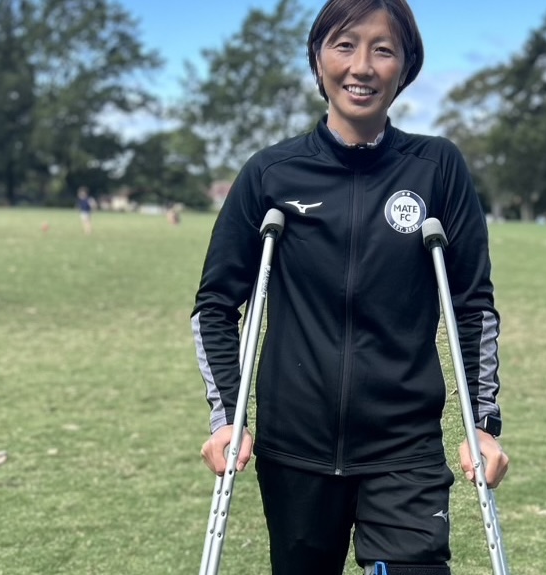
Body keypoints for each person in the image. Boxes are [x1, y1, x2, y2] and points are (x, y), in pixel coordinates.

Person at [191, 1, 508, 573]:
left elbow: (473, 307)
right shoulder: (271, 174)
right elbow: (215, 304)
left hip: (404, 448)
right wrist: (227, 418)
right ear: (318, 59)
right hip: (295, 450)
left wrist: (481, 425)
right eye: (344, 45)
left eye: (383, 49)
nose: (362, 66)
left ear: (405, 66)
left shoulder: (436, 168)